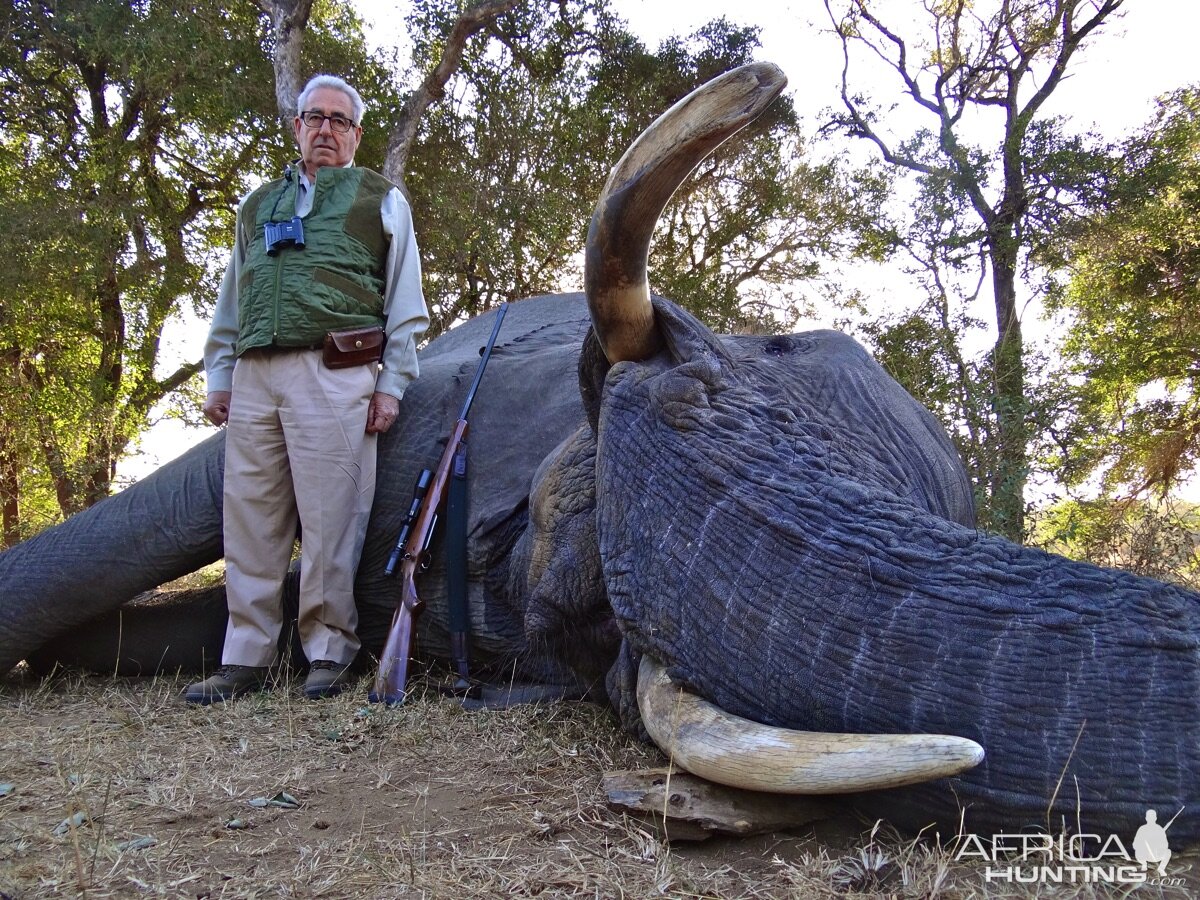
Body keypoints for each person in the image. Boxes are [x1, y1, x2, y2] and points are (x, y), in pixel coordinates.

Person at [185, 74, 429, 704]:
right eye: (313, 117)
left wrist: (392, 384)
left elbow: (404, 305)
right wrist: (220, 375)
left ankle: (328, 649)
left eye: (338, 120)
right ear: (296, 126)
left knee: (332, 519)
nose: (325, 128)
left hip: (337, 372)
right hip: (257, 375)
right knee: (250, 519)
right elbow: (231, 299)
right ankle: (245, 656)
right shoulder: (257, 204)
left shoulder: (382, 199)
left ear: (355, 133)